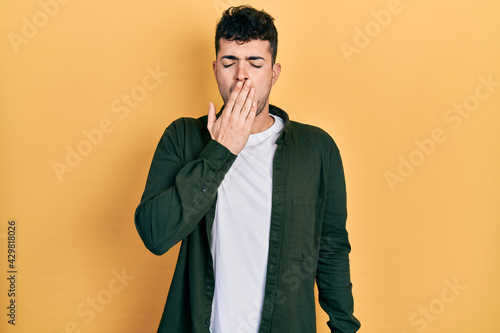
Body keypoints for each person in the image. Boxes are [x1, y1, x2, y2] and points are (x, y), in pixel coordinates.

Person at [135, 5, 360, 333]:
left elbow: (332, 247)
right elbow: (155, 235)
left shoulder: (317, 149)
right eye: (230, 62)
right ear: (215, 69)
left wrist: (344, 328)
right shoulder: (182, 137)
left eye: (255, 63)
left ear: (274, 72)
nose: (242, 75)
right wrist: (221, 150)